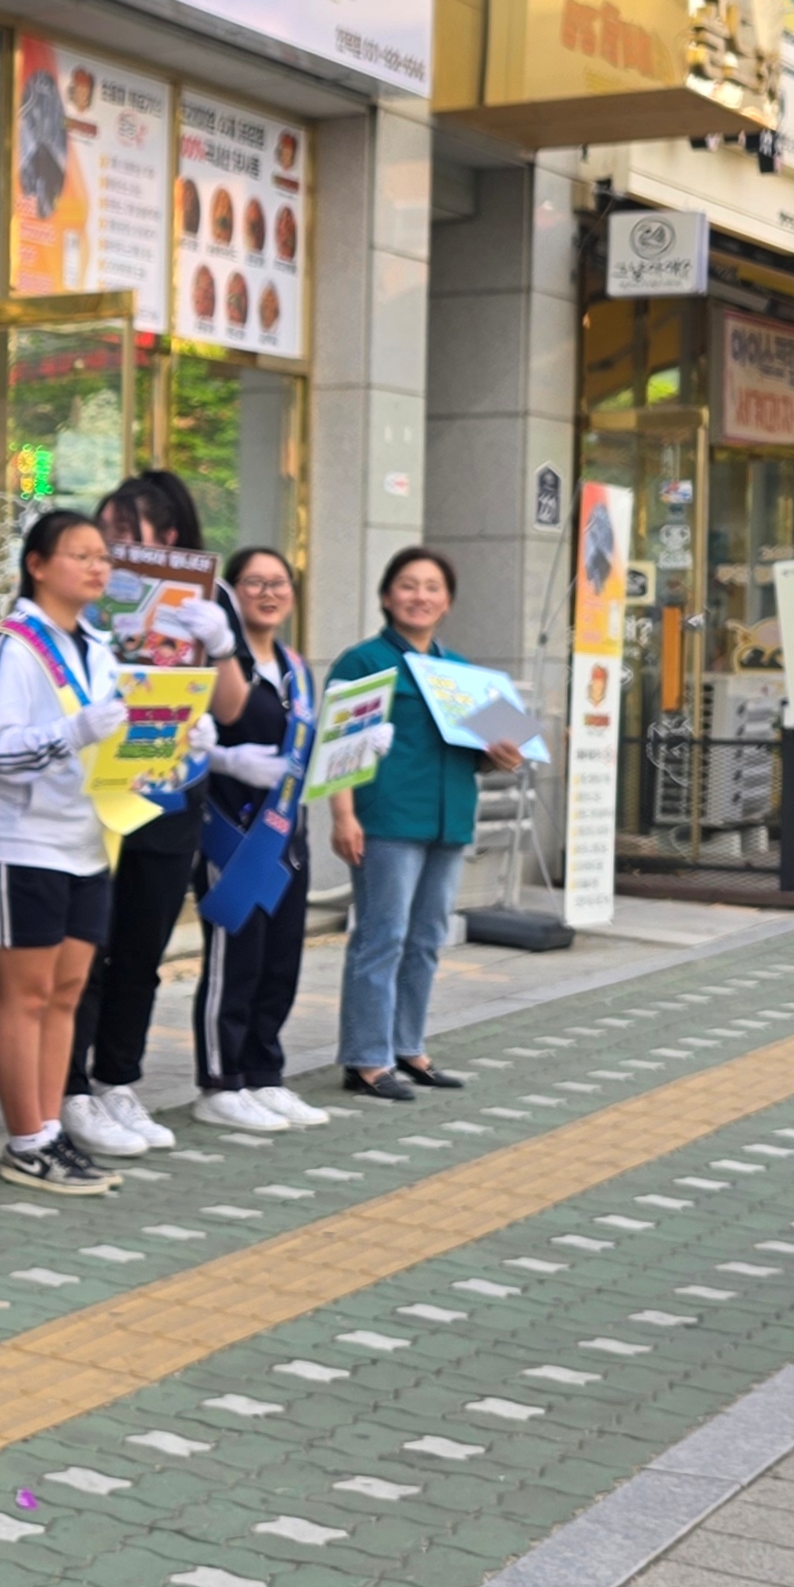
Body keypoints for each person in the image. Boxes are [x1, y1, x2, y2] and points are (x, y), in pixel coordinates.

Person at [61, 470, 248, 1162]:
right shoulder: (88, 598)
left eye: (122, 532)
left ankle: (117, 1079)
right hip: (99, 792)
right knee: (87, 946)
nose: (108, 547)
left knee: (141, 948)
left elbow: (231, 709)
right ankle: (68, 1084)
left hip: (173, 793)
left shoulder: (212, 599)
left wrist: (220, 645)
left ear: (168, 538)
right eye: (102, 533)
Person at [0, 508, 131, 1196]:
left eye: (102, 556)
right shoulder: (8, 646)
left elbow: (114, 736)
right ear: (36, 565)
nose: (97, 567)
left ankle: (49, 1127)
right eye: (80, 555)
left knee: (65, 993)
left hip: (86, 839)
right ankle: (25, 1139)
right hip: (20, 841)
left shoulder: (97, 645)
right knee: (25, 994)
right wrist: (73, 731)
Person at [327, 544, 510, 1100]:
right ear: (387, 596)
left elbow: (480, 752)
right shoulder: (360, 662)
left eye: (432, 587)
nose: (420, 596)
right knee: (382, 937)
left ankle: (407, 1047)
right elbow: (338, 745)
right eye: (408, 585)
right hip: (386, 819)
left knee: (428, 938)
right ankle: (365, 1059)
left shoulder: (462, 674)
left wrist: (503, 752)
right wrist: (343, 816)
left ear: (447, 601)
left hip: (448, 820)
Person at [190, 544, 328, 1131]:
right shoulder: (218, 663)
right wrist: (225, 761)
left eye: (279, 583)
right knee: (235, 960)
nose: (268, 594)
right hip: (232, 835)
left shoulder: (296, 667)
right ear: (231, 593)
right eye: (253, 583)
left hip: (289, 835)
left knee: (280, 961)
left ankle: (264, 1074)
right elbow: (189, 740)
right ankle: (220, 1081)